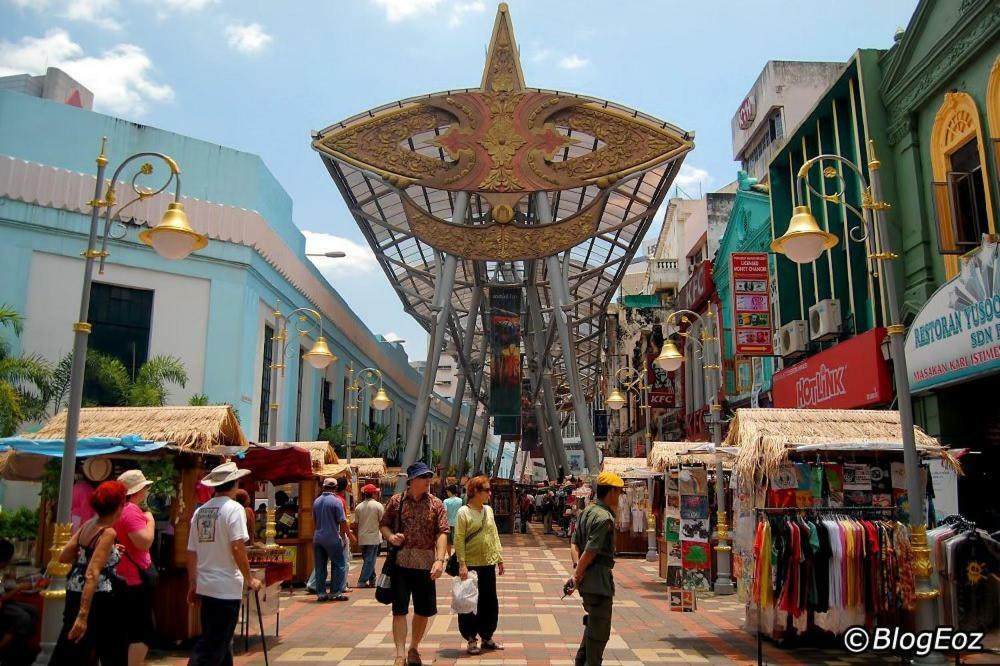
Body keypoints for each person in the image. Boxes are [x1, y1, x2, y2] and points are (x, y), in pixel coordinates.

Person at [187, 462, 262, 666]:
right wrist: (249, 579)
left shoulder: (200, 512)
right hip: (225, 586)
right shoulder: (234, 509)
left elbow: (192, 551)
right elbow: (237, 546)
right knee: (212, 646)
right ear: (235, 483)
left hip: (206, 585)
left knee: (221, 642)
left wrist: (193, 583)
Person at [51, 480, 129, 666]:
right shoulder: (107, 532)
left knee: (72, 646)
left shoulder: (88, 524)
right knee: (112, 649)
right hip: (99, 597)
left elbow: (64, 556)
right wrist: (83, 616)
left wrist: (99, 552)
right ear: (119, 506)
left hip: (74, 590)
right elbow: (93, 573)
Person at [379, 462, 449, 666]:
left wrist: (440, 560)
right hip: (401, 564)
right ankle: (400, 654)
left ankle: (414, 648)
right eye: (423, 477)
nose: (428, 480)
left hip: (426, 565)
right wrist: (391, 537)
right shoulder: (396, 501)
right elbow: (383, 524)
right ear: (411, 480)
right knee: (399, 610)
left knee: (423, 611)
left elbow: (442, 532)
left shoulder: (436, 504)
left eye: (429, 476)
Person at [567, 471, 624, 666]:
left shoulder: (586, 512)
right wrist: (577, 575)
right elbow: (591, 551)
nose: (619, 496)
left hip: (588, 580)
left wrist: (578, 570)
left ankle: (580, 662)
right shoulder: (604, 518)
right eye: (619, 492)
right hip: (598, 582)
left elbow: (574, 544)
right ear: (611, 492)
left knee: (592, 625)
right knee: (599, 633)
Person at [455, 475, 504, 655]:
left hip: (488, 563)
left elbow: (494, 534)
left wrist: (499, 558)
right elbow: (459, 539)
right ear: (475, 491)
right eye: (487, 490)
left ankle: (487, 636)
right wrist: (462, 564)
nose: (490, 493)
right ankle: (470, 638)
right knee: (469, 603)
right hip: (470, 565)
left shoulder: (488, 511)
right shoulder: (463, 512)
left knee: (489, 602)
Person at [114, 469, 157, 666]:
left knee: (125, 630)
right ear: (138, 491)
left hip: (121, 576)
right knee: (143, 632)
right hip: (134, 579)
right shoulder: (131, 510)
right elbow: (143, 542)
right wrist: (151, 521)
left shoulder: (116, 509)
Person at [313, 478, 352, 601]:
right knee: (339, 564)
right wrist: (349, 537)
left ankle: (321, 593)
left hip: (318, 538)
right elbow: (342, 521)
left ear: (323, 487)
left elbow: (314, 521)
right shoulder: (336, 502)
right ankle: (335, 592)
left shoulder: (316, 501)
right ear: (335, 488)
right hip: (332, 538)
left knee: (320, 566)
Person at [0, 540, 38, 666]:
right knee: (24, 617)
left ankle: (21, 645)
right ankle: (9, 649)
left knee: (33, 611)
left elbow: (4, 589)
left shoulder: (2, 571)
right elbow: (3, 598)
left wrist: (8, 580)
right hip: (2, 604)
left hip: (5, 601)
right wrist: (19, 588)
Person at [354, 484, 384, 588]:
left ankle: (372, 579)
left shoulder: (359, 507)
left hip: (362, 537)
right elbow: (382, 522)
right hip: (374, 537)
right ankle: (362, 581)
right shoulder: (378, 506)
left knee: (368, 560)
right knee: (370, 560)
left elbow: (356, 523)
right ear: (374, 494)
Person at [442, 485, 463, 550]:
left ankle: (449, 556)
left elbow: (445, 512)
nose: (447, 493)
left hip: (448, 524)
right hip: (458, 523)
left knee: (448, 542)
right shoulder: (460, 500)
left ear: (449, 492)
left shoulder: (446, 501)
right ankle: (457, 557)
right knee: (457, 542)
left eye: (447, 492)